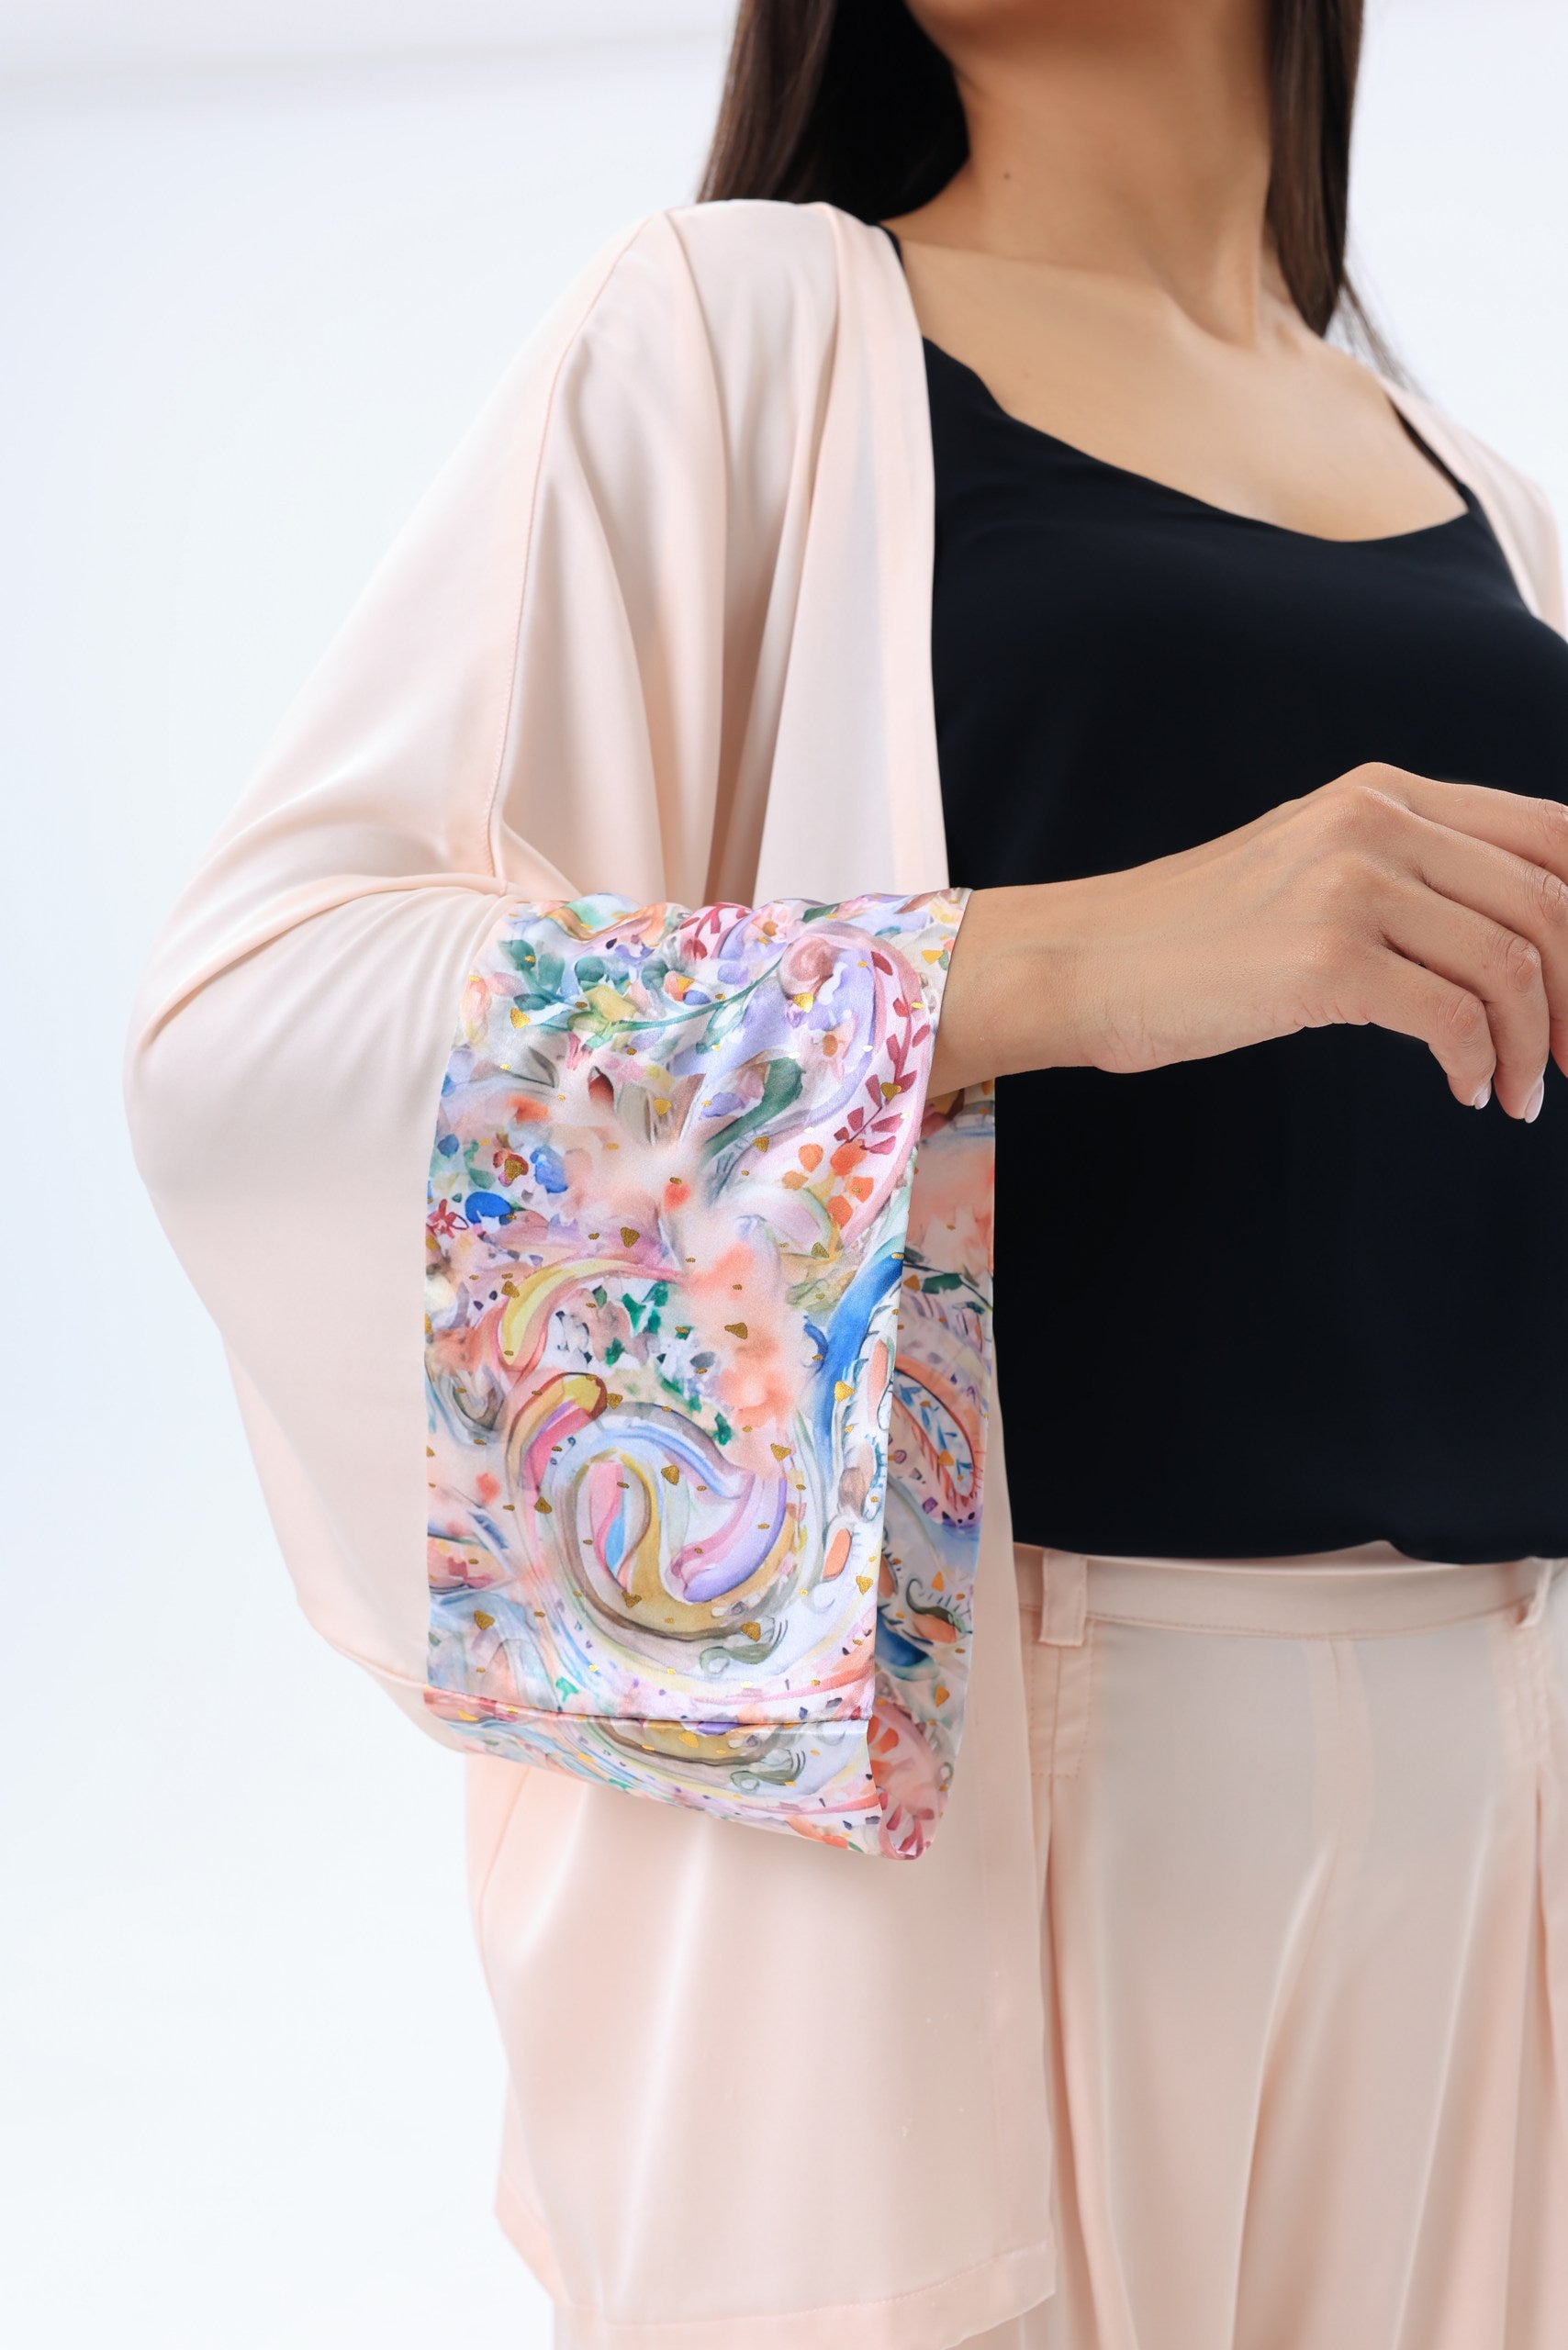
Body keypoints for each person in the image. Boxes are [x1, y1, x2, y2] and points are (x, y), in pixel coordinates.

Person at [124, 2, 1568, 2344]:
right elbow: (259, 1026)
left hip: (1478, 1791)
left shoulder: (1485, 500)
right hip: (985, 1801)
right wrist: (1042, 962)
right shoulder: (740, 337)